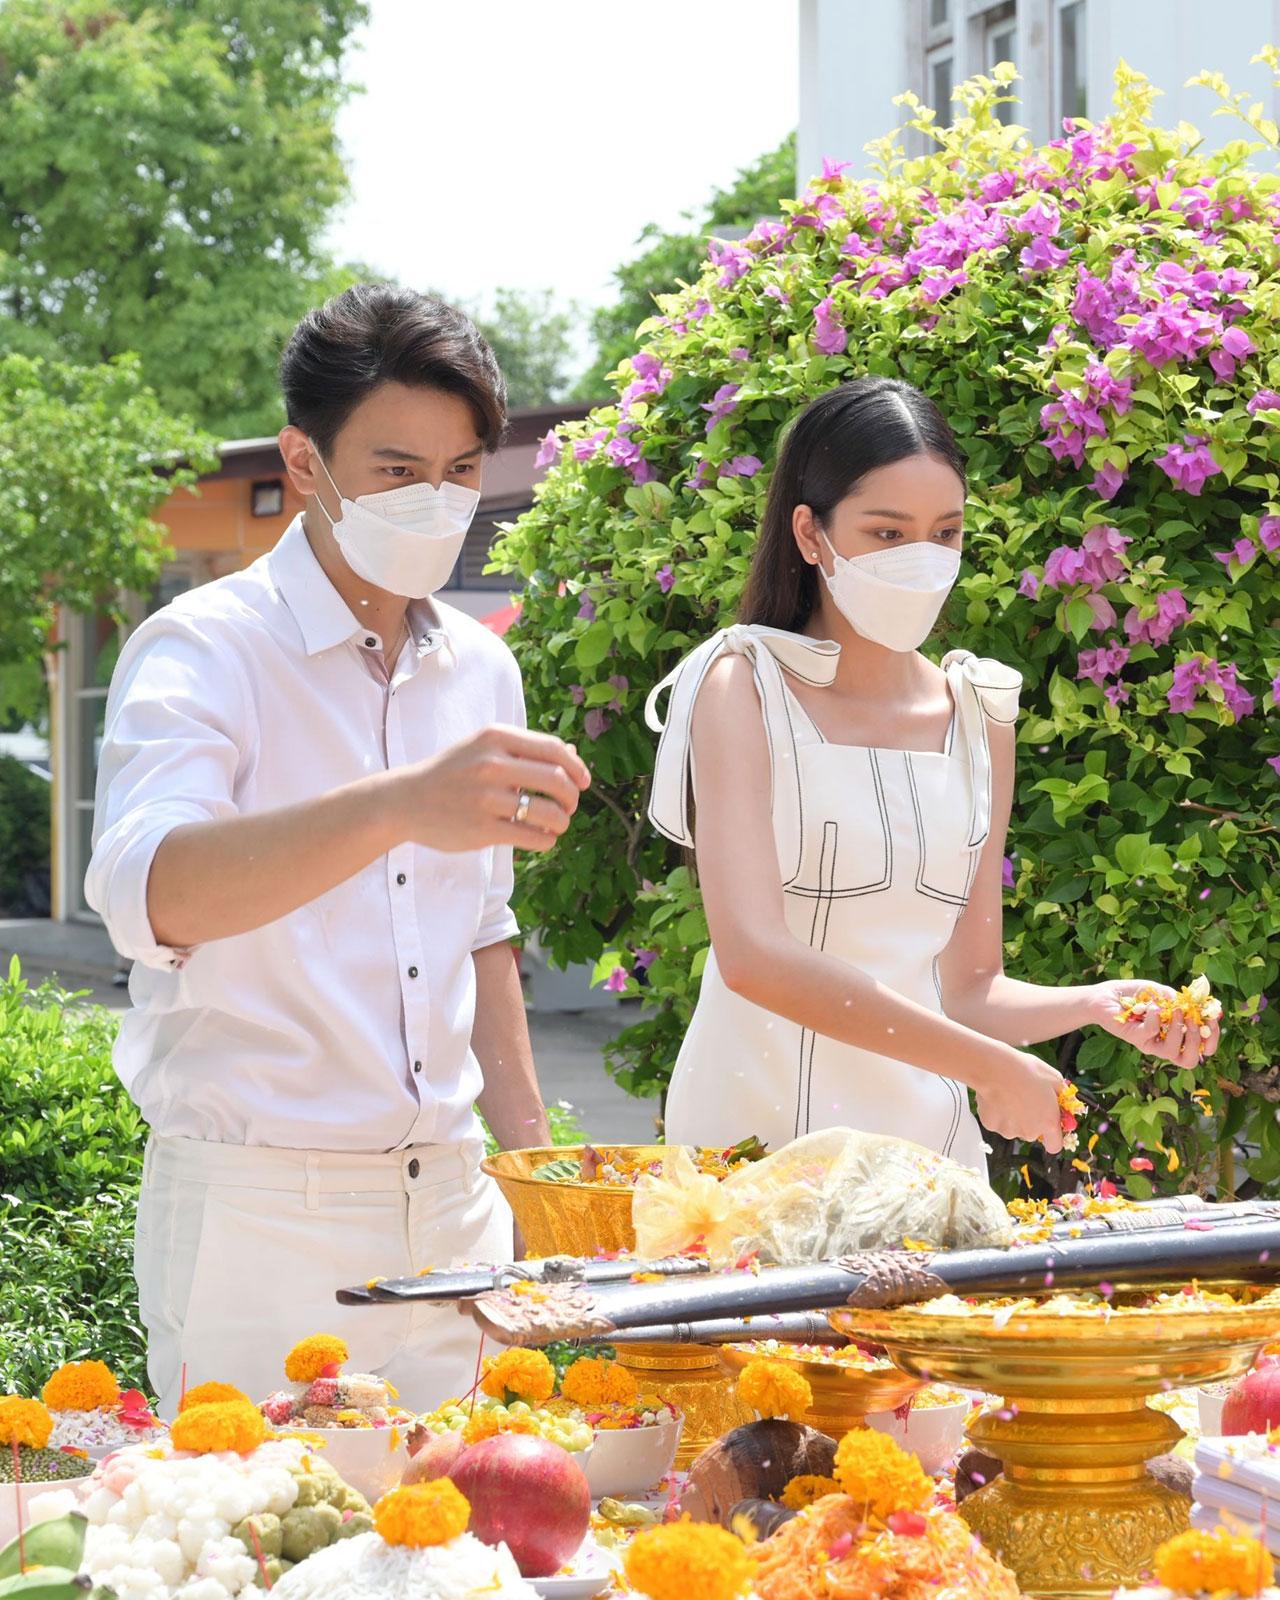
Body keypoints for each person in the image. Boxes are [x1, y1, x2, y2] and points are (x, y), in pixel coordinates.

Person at [87, 284, 590, 1413]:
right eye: (397, 469)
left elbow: (483, 930)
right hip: (262, 1213)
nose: (434, 501)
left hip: (454, 1204)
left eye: (460, 471)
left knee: (474, 1516)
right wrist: (397, 804)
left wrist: (534, 1170)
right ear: (302, 460)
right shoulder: (204, 648)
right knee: (259, 1520)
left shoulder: (481, 668)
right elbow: (149, 894)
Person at [645, 377, 1218, 1169]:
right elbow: (754, 959)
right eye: (888, 533)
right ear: (810, 534)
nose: (920, 560)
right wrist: (990, 1068)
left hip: (927, 1160)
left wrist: (1095, 1003)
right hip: (754, 1151)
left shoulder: (980, 710)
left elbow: (969, 987)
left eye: (944, 533)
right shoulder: (742, 687)